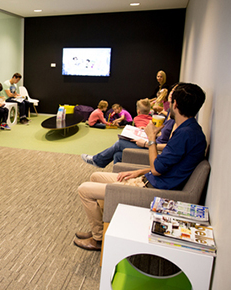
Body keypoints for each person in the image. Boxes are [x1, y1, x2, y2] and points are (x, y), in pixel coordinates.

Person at [74, 83, 207, 251]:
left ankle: (98, 239)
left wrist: (151, 139)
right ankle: (100, 229)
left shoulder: (185, 134)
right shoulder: (190, 130)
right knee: (95, 177)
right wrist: (139, 171)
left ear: (175, 105)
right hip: (150, 179)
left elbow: (158, 168)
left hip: (151, 187)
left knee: (84, 190)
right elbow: (168, 166)